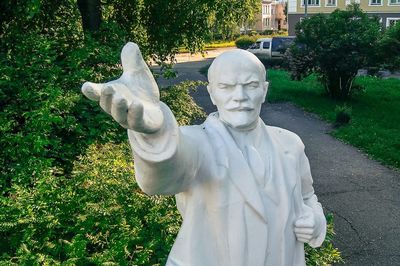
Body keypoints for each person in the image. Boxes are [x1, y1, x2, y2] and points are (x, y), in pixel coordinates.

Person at [82, 42, 326, 266]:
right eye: (226, 87)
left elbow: (307, 197)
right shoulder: (196, 142)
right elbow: (162, 178)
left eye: (250, 86)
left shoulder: (291, 145)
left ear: (264, 90)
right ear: (211, 93)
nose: (239, 97)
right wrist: (156, 133)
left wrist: (315, 221)